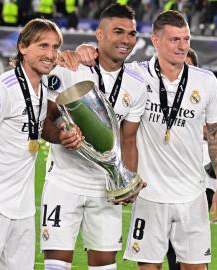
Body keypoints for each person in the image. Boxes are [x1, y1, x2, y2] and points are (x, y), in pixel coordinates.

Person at [0, 18, 81, 270]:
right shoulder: (2, 89)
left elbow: (43, 119)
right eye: (43, 46)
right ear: (23, 47)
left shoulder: (44, 86)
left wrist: (62, 129)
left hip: (24, 210)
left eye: (55, 47)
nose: (50, 53)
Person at [41, 4, 147, 270]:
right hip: (65, 181)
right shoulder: (71, 67)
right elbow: (46, 117)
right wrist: (61, 136)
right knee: (56, 264)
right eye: (118, 32)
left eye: (132, 34)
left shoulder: (136, 85)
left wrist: (127, 179)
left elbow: (129, 138)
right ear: (99, 35)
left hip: (105, 189)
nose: (126, 40)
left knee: (104, 265)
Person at [121, 11, 217, 270]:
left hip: (192, 194)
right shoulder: (135, 75)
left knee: (196, 267)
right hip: (148, 194)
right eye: (174, 40)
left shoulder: (205, 81)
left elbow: (216, 133)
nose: (182, 46)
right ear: (156, 42)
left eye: (186, 39)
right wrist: (82, 52)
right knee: (148, 266)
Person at [166, 48, 217, 270]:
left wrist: (196, 128)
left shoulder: (210, 93)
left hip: (203, 178)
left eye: (186, 65)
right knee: (172, 244)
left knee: (189, 244)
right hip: (171, 176)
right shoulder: (167, 95)